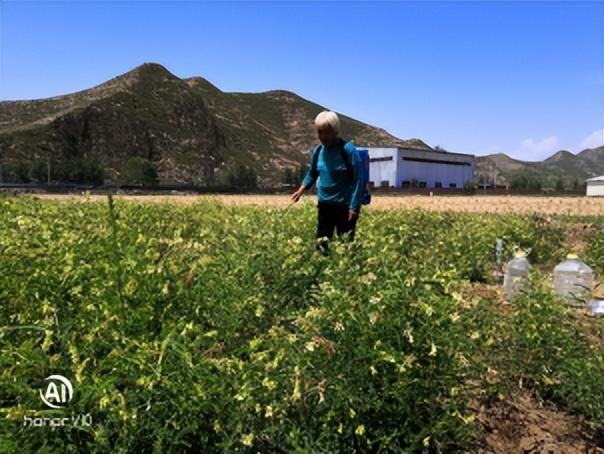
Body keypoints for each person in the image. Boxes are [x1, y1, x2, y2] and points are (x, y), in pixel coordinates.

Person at [291, 111, 364, 255]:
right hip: (325, 205)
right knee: (322, 244)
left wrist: (354, 207)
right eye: (320, 132)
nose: (323, 136)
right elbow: (312, 173)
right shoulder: (318, 151)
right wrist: (301, 190)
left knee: (347, 246)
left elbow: (359, 180)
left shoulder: (348, 150)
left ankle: (348, 274)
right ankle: (323, 272)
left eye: (327, 132)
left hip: (345, 206)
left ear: (336, 131)